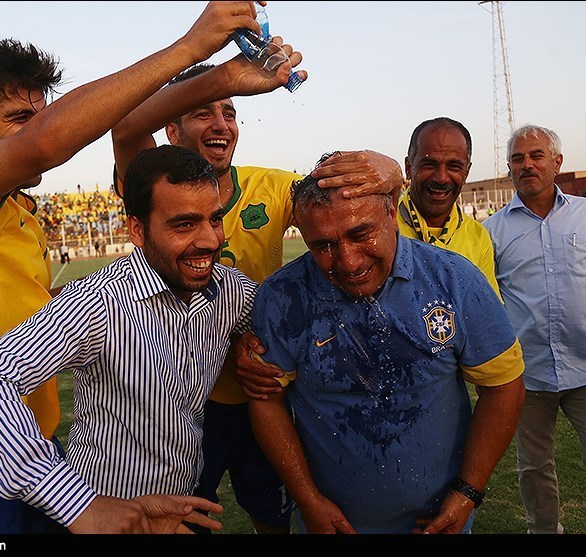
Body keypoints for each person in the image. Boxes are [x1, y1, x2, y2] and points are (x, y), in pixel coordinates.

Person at [0, 1, 270, 535]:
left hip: (36, 449)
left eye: (40, 112)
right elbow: (50, 143)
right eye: (18, 119)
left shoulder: (19, 215)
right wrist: (191, 49)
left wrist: (224, 77)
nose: (38, 131)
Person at [111, 54, 403, 533]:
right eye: (203, 111)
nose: (221, 123)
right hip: (181, 404)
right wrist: (216, 74)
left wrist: (389, 168)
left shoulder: (271, 186)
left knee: (273, 517)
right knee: (179, 521)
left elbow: (334, 198)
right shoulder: (154, 178)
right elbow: (124, 129)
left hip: (261, 393)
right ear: (171, 129)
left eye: (229, 112)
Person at [0, 144, 258, 534]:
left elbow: (282, 320)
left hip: (180, 508)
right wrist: (78, 506)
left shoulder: (229, 290)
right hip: (105, 513)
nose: (210, 240)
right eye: (184, 224)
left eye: (215, 219)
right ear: (137, 230)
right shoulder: (98, 302)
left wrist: (250, 343)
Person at [245, 153, 525, 534]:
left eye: (361, 234)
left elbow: (504, 385)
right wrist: (308, 498)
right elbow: (267, 401)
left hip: (436, 522)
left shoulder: (454, 279)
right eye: (323, 245)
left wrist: (466, 492)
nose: (347, 260)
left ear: (391, 214)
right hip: (334, 524)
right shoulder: (282, 296)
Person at [483, 124, 586, 534]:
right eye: (518, 159)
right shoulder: (492, 231)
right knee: (534, 471)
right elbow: (486, 303)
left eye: (537, 155)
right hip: (528, 376)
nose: (528, 165)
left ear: (556, 162)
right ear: (509, 170)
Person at [399, 117, 501, 298]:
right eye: (429, 164)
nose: (441, 178)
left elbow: (487, 313)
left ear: (467, 172)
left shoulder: (477, 237)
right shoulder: (381, 226)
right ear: (409, 167)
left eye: (454, 166)